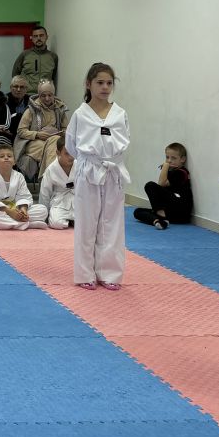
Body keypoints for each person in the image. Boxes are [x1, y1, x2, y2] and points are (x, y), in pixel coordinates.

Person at [70, 63, 130, 291]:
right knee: (86, 223)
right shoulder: (80, 114)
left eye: (109, 83)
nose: (105, 87)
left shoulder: (120, 114)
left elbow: (125, 141)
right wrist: (89, 161)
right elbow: (71, 145)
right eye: (100, 82)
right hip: (88, 170)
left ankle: (110, 273)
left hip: (113, 171)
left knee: (112, 224)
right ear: (88, 84)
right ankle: (85, 273)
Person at [0, 140, 48, 230]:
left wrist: (23, 210)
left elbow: (24, 196)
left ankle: (17, 221)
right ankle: (26, 224)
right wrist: (9, 211)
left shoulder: (19, 177)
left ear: (14, 161)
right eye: (2, 156)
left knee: (42, 210)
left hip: (16, 209)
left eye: (9, 156)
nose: (6, 158)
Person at [14, 79, 70, 180]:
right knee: (56, 150)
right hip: (33, 143)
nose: (47, 98)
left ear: (54, 95)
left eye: (50, 95)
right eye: (43, 95)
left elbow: (67, 130)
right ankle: (54, 180)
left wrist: (59, 133)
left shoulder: (60, 109)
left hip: (54, 141)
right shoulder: (31, 110)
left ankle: (46, 181)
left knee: (55, 142)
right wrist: (37, 134)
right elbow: (21, 131)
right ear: (39, 95)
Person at [133, 142, 193, 229]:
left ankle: (161, 216)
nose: (169, 160)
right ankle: (158, 221)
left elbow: (161, 183)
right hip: (170, 213)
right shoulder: (171, 171)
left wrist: (165, 166)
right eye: (167, 157)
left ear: (182, 159)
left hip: (181, 212)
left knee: (150, 185)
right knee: (137, 212)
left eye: (173, 158)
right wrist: (167, 168)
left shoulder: (181, 173)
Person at [39, 135, 77, 229]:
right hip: (60, 202)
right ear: (58, 153)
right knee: (56, 223)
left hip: (78, 199)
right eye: (66, 153)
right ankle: (71, 221)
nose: (71, 157)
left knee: (88, 222)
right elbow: (45, 193)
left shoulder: (80, 165)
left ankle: (74, 221)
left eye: (73, 152)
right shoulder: (51, 169)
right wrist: (44, 214)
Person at [12, 25, 59, 93]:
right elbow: (15, 76)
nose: (38, 38)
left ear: (46, 37)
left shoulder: (53, 57)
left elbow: (53, 77)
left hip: (44, 96)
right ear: (32, 38)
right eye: (35, 36)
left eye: (41, 35)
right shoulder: (24, 54)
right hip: (26, 95)